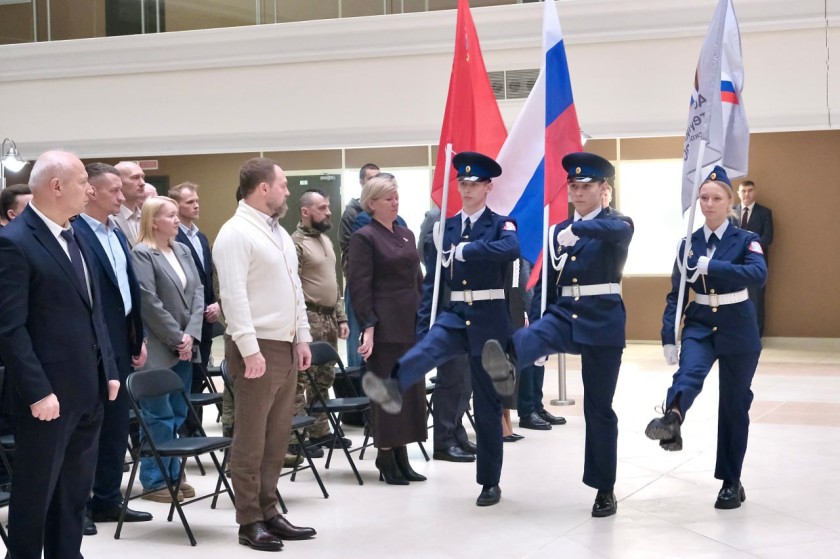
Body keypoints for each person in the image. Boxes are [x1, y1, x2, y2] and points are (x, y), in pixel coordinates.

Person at [362, 152, 520, 506]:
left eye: (474, 184)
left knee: (487, 405)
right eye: (462, 183)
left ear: (488, 188)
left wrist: (469, 250)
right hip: (455, 311)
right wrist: (422, 324)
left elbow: (510, 250)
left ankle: (489, 482)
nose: (466, 189)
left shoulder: (501, 223)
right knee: (426, 347)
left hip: (489, 317)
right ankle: (392, 386)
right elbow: (432, 283)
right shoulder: (444, 226)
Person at [482, 152, 633, 517]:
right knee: (528, 337)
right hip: (564, 313)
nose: (577, 194)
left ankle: (604, 488)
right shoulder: (555, 232)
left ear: (603, 190)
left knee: (599, 408)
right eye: (573, 187)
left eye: (585, 187)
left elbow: (617, 232)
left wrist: (578, 229)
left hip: (603, 320)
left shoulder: (618, 223)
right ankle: (510, 365)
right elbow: (546, 285)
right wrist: (536, 323)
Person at [0, 150, 119, 559]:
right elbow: (9, 329)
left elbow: (94, 309)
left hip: (88, 389)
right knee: (36, 496)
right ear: (56, 186)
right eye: (83, 179)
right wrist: (37, 392)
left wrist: (109, 367)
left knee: (73, 494)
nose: (90, 188)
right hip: (46, 399)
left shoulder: (77, 233)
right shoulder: (14, 243)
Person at [646, 166, 766, 510]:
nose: (709, 204)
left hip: (738, 326)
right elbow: (676, 293)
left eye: (716, 198)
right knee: (689, 373)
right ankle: (672, 419)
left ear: (730, 201)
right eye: (704, 198)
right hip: (699, 322)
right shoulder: (688, 243)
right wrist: (669, 333)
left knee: (733, 404)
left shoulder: (747, 240)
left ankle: (731, 481)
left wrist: (713, 267)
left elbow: (758, 274)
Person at [214, 157, 316, 552]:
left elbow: (294, 291)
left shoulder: (276, 233)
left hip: (286, 345)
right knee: (251, 439)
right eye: (284, 185)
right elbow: (233, 296)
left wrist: (303, 338)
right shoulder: (236, 233)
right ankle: (249, 520)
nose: (288, 191)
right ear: (263, 189)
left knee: (276, 439)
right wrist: (249, 348)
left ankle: (270, 510)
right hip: (257, 347)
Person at [73, 163, 152, 534]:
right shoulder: (75, 234)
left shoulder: (116, 233)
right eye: (114, 192)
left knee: (117, 425)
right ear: (91, 192)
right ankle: (80, 506)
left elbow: (128, 291)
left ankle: (107, 499)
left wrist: (139, 338)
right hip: (91, 345)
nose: (123, 198)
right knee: (89, 427)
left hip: (121, 340)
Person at [348, 172, 427, 485]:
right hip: (384, 326)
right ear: (372, 203)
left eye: (397, 198)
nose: (395, 203)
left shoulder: (405, 234)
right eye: (388, 199)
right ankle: (385, 454)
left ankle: (402, 454)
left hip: (411, 324)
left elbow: (417, 278)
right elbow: (359, 285)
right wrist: (367, 324)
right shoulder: (364, 237)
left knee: (409, 392)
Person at [131, 196, 204, 502]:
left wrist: (191, 336)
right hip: (161, 346)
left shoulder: (183, 249)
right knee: (157, 414)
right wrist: (177, 337)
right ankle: (154, 479)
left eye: (177, 215)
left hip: (187, 345)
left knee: (176, 411)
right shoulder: (142, 254)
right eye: (171, 215)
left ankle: (174, 474)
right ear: (153, 221)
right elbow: (149, 301)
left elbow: (199, 292)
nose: (177, 220)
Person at [291, 189, 350, 449]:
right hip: (308, 316)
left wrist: (341, 317)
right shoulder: (295, 243)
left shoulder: (326, 241)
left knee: (324, 378)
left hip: (328, 319)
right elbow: (291, 287)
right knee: (302, 380)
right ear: (305, 212)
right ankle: (297, 437)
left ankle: (319, 431)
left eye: (327, 207)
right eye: (322, 208)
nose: (328, 212)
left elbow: (334, 284)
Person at [418, 208, 476, 463]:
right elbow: (427, 254)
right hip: (447, 307)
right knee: (451, 377)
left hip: (472, 310)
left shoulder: (479, 219)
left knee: (466, 379)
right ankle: (443, 440)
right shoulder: (437, 217)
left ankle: (456, 430)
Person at [171, 181, 221, 433]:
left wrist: (216, 304)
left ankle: (194, 426)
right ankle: (188, 428)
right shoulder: (173, 237)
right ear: (176, 206)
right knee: (186, 376)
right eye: (189, 202)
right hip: (187, 319)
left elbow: (208, 276)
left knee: (199, 376)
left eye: (197, 200)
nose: (196, 205)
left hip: (206, 318)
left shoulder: (200, 237)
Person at [339, 163, 380, 367]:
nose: (375, 181)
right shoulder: (352, 213)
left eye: (378, 177)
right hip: (358, 287)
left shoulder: (387, 213)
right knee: (358, 342)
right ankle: (358, 390)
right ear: (362, 182)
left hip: (379, 290)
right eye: (371, 178)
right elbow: (349, 253)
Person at [734, 180, 773, 336]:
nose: (746, 194)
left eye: (750, 190)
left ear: (754, 192)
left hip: (756, 264)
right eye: (743, 191)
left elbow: (768, 238)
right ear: (738, 193)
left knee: (756, 300)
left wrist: (749, 249)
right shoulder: (730, 211)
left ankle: (755, 336)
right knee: (734, 299)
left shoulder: (764, 213)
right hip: (735, 264)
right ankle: (737, 335)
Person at [113, 161, 147, 246]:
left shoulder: (148, 218)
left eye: (143, 177)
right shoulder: (107, 218)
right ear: (118, 182)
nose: (142, 183)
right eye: (135, 177)